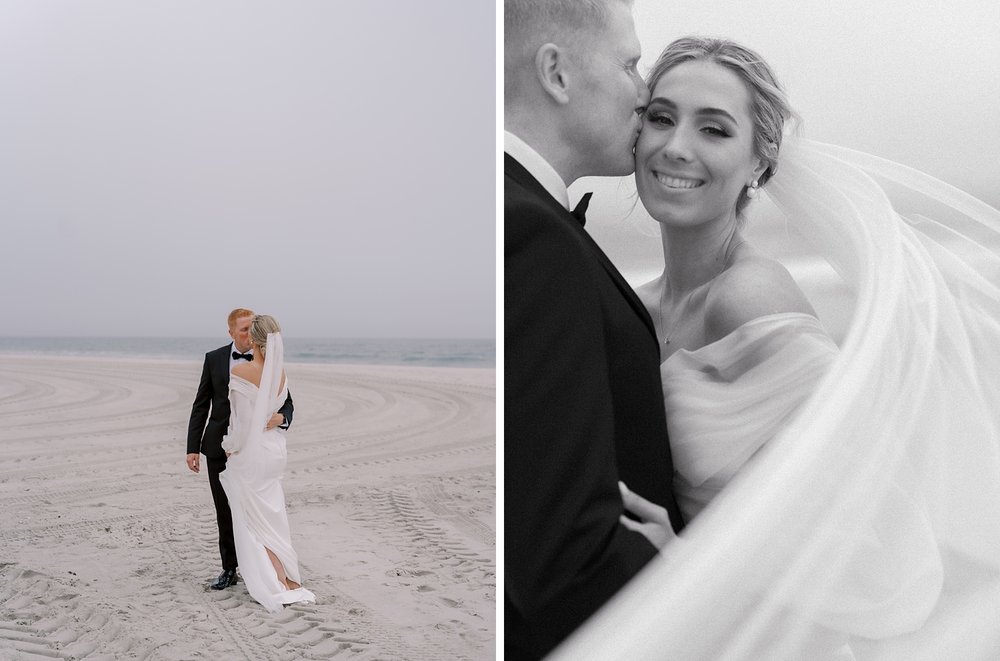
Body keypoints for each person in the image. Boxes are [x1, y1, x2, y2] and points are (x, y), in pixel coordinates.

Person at [552, 37, 1000, 659]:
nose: (676, 145)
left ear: (759, 164)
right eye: (661, 116)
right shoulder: (638, 303)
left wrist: (683, 563)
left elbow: (873, 542)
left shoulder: (749, 296)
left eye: (714, 129)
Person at [504, 1, 683, 658]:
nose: (644, 91)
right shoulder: (531, 236)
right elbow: (567, 562)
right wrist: (690, 581)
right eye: (630, 63)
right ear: (556, 72)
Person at [186, 308, 294, 591]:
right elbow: (201, 404)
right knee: (225, 510)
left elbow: (287, 404)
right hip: (217, 446)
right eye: (243, 329)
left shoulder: (271, 366)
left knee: (252, 511)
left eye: (251, 329)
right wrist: (192, 447)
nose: (248, 334)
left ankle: (260, 568)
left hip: (247, 449)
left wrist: (281, 418)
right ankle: (229, 568)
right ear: (231, 332)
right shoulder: (214, 359)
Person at [219, 314, 315, 612]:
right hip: (275, 451)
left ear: (255, 340)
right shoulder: (280, 373)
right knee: (271, 514)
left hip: (253, 453)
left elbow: (242, 423)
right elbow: (273, 411)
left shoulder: (242, 371)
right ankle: (287, 576)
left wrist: (229, 446)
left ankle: (276, 580)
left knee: (252, 519)